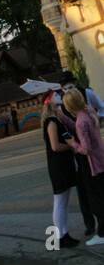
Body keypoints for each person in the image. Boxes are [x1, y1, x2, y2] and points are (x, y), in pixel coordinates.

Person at [64, 87, 104, 247]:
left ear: (69, 106)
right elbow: (82, 126)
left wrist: (73, 143)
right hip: (102, 158)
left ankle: (102, 233)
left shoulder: (81, 121)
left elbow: (86, 149)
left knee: (96, 201)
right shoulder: (88, 112)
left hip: (93, 164)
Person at [43, 92, 81, 248]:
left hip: (63, 165)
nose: (60, 105)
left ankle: (64, 234)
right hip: (58, 166)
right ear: (51, 104)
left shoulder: (56, 120)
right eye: (57, 102)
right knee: (59, 202)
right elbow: (55, 146)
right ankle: (59, 237)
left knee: (63, 202)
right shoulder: (51, 122)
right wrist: (71, 147)